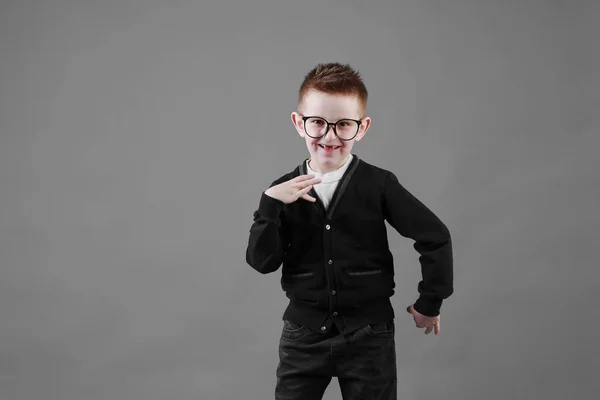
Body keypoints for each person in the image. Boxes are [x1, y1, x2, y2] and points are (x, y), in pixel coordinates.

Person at [245, 62, 454, 400]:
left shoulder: (379, 184)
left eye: (343, 125)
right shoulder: (280, 190)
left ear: (362, 127)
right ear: (299, 123)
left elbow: (435, 236)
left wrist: (430, 301)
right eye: (317, 123)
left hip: (369, 336)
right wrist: (269, 205)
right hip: (304, 335)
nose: (329, 137)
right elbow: (261, 262)